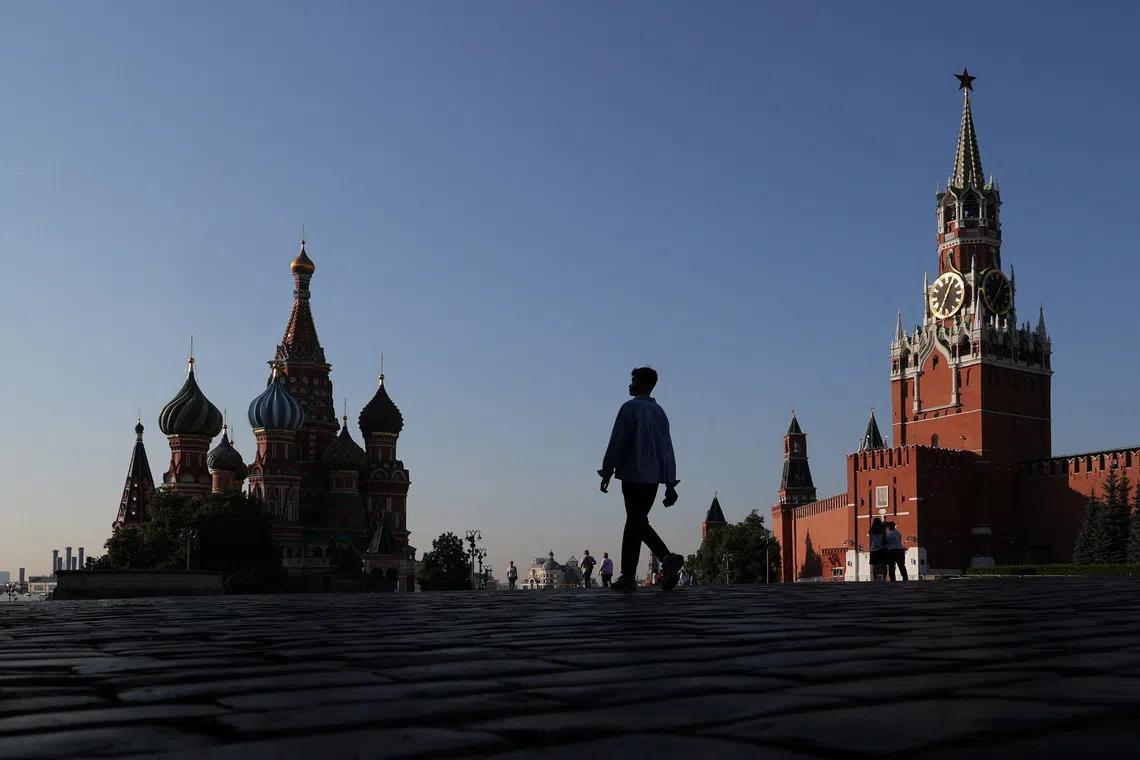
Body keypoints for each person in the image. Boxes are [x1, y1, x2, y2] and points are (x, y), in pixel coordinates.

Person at [598, 367, 685, 592]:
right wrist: (669, 482)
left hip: (632, 473)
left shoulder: (630, 408)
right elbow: (667, 449)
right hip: (653, 477)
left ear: (642, 383)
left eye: (633, 380)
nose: (630, 384)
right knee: (634, 522)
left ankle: (666, 557)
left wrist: (607, 470)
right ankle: (627, 575)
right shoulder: (659, 412)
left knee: (636, 522)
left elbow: (617, 441)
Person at [868, 517, 888, 581]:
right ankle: (884, 579)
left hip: (873, 549)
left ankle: (875, 579)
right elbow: (885, 538)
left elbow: (871, 540)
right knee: (884, 565)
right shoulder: (883, 530)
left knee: (874, 565)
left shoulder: (871, 531)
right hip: (882, 549)